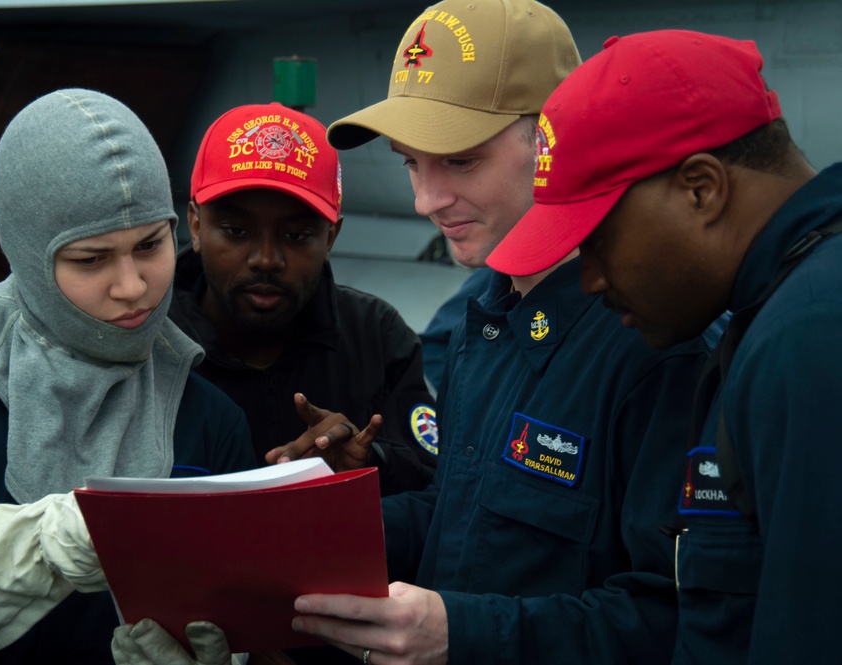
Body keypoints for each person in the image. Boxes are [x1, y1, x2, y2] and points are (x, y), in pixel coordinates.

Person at [287, 1, 716, 663]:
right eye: (410, 163)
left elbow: (683, 618)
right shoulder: (482, 324)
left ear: (555, 141)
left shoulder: (655, 346)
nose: (425, 200)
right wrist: (311, 528)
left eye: (458, 162)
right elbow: (462, 515)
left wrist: (461, 633)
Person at [0, 88, 256, 664]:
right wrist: (42, 543)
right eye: (90, 259)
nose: (132, 286)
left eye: (150, 245)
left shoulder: (208, 417)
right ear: (27, 252)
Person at [490, 29, 840, 664]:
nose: (590, 280)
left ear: (701, 189)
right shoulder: (784, 312)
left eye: (598, 240)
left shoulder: (811, 338)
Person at [167, 101, 439, 496]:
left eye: (295, 236)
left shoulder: (378, 337)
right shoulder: (149, 345)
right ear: (195, 224)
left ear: (330, 237)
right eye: (235, 231)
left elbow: (436, 490)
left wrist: (370, 464)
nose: (266, 260)